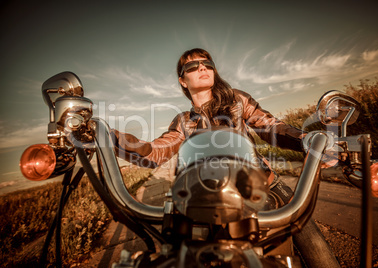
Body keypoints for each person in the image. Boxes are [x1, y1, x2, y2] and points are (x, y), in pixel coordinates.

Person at [111, 48, 340, 267]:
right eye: (192, 65)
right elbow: (156, 150)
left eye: (207, 63)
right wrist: (112, 139)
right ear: (182, 80)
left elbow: (269, 126)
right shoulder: (183, 121)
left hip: (263, 187)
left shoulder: (236, 101)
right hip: (205, 197)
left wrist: (306, 140)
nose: (202, 67)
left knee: (316, 247)